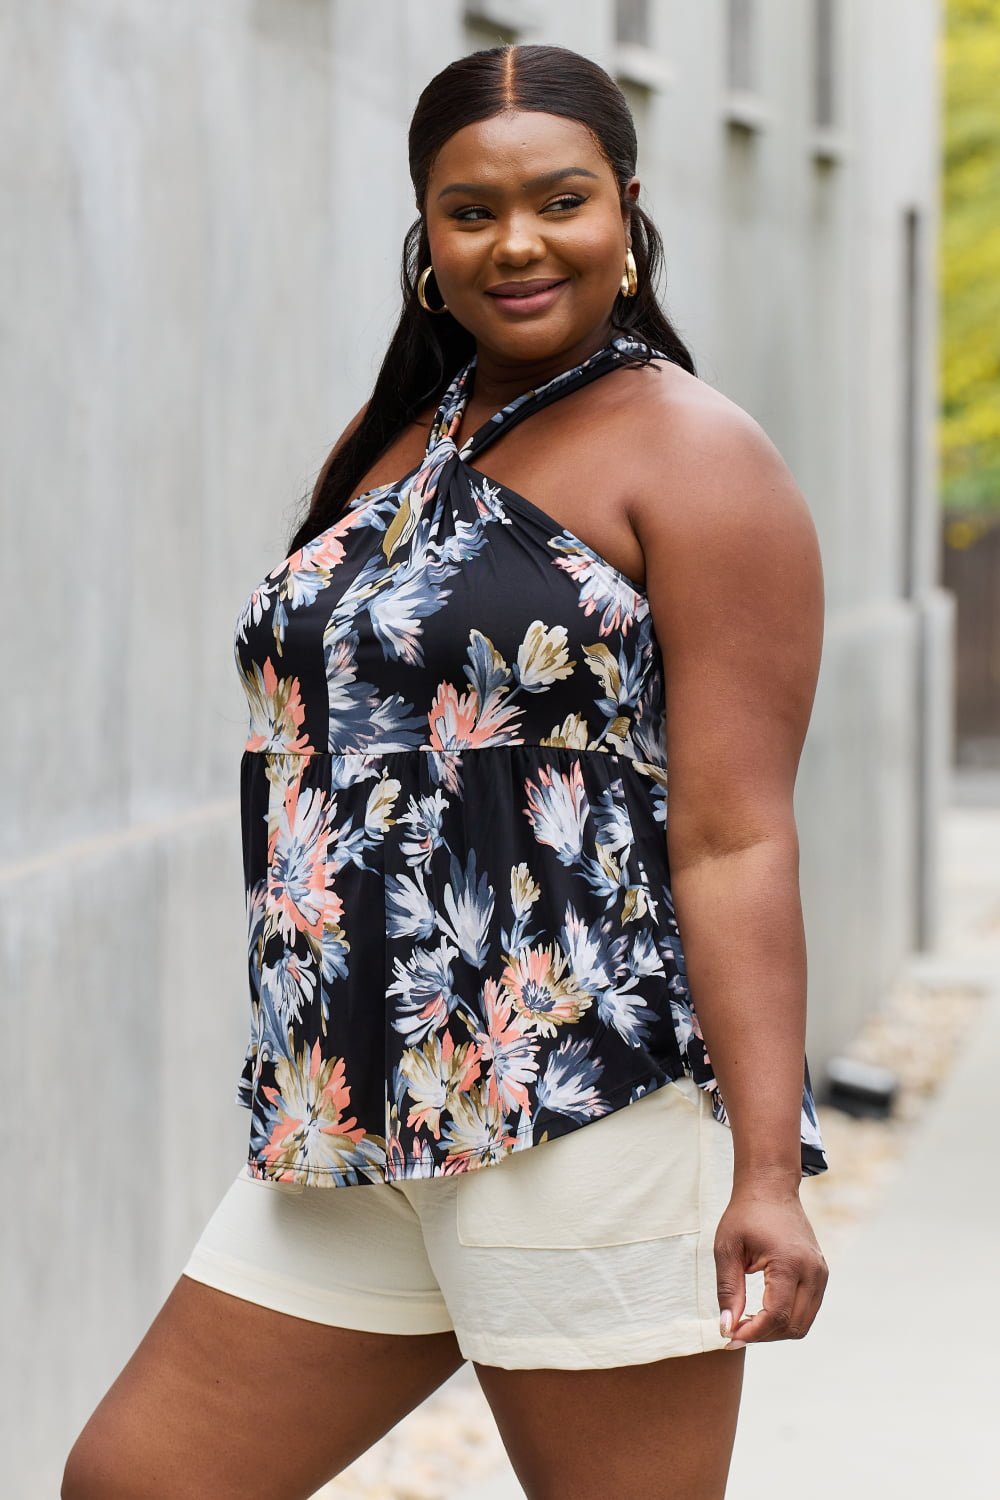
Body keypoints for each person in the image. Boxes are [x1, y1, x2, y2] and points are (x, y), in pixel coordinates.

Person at [63, 41, 829, 1500]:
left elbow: (736, 838)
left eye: (562, 200)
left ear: (628, 209)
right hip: (351, 1110)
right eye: (472, 211)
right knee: (138, 1481)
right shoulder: (398, 439)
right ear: (428, 234)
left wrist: (768, 1181)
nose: (519, 242)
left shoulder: (695, 455)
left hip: (577, 1101)